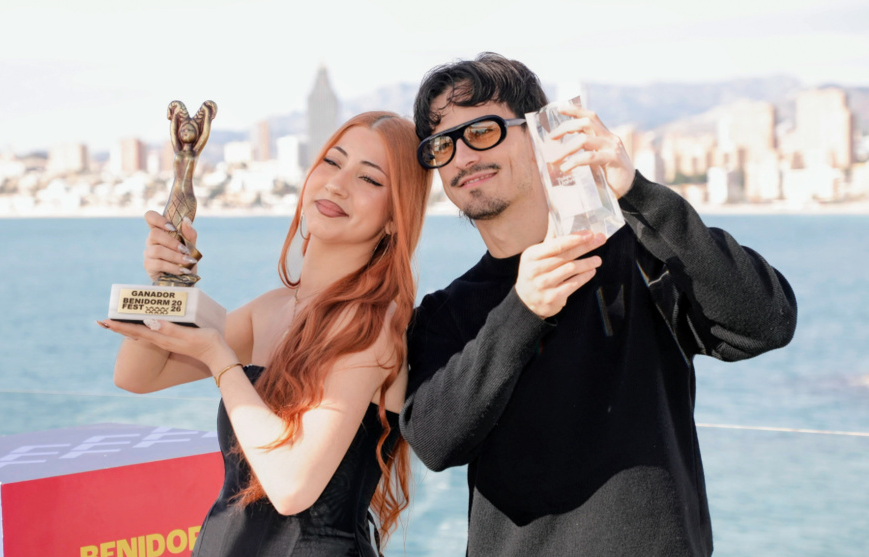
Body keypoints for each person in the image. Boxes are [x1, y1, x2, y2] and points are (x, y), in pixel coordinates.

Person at [399, 52, 798, 556]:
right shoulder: (445, 312)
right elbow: (435, 442)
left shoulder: (639, 254)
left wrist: (638, 193)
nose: (462, 157)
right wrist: (523, 310)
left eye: (481, 132)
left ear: (540, 135)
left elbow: (766, 321)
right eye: (442, 144)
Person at [98, 111, 432, 556]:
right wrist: (168, 282)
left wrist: (222, 362)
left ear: (395, 217)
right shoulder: (270, 310)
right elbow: (137, 375)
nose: (337, 184)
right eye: (332, 162)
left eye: (369, 179)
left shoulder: (371, 327)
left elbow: (292, 488)